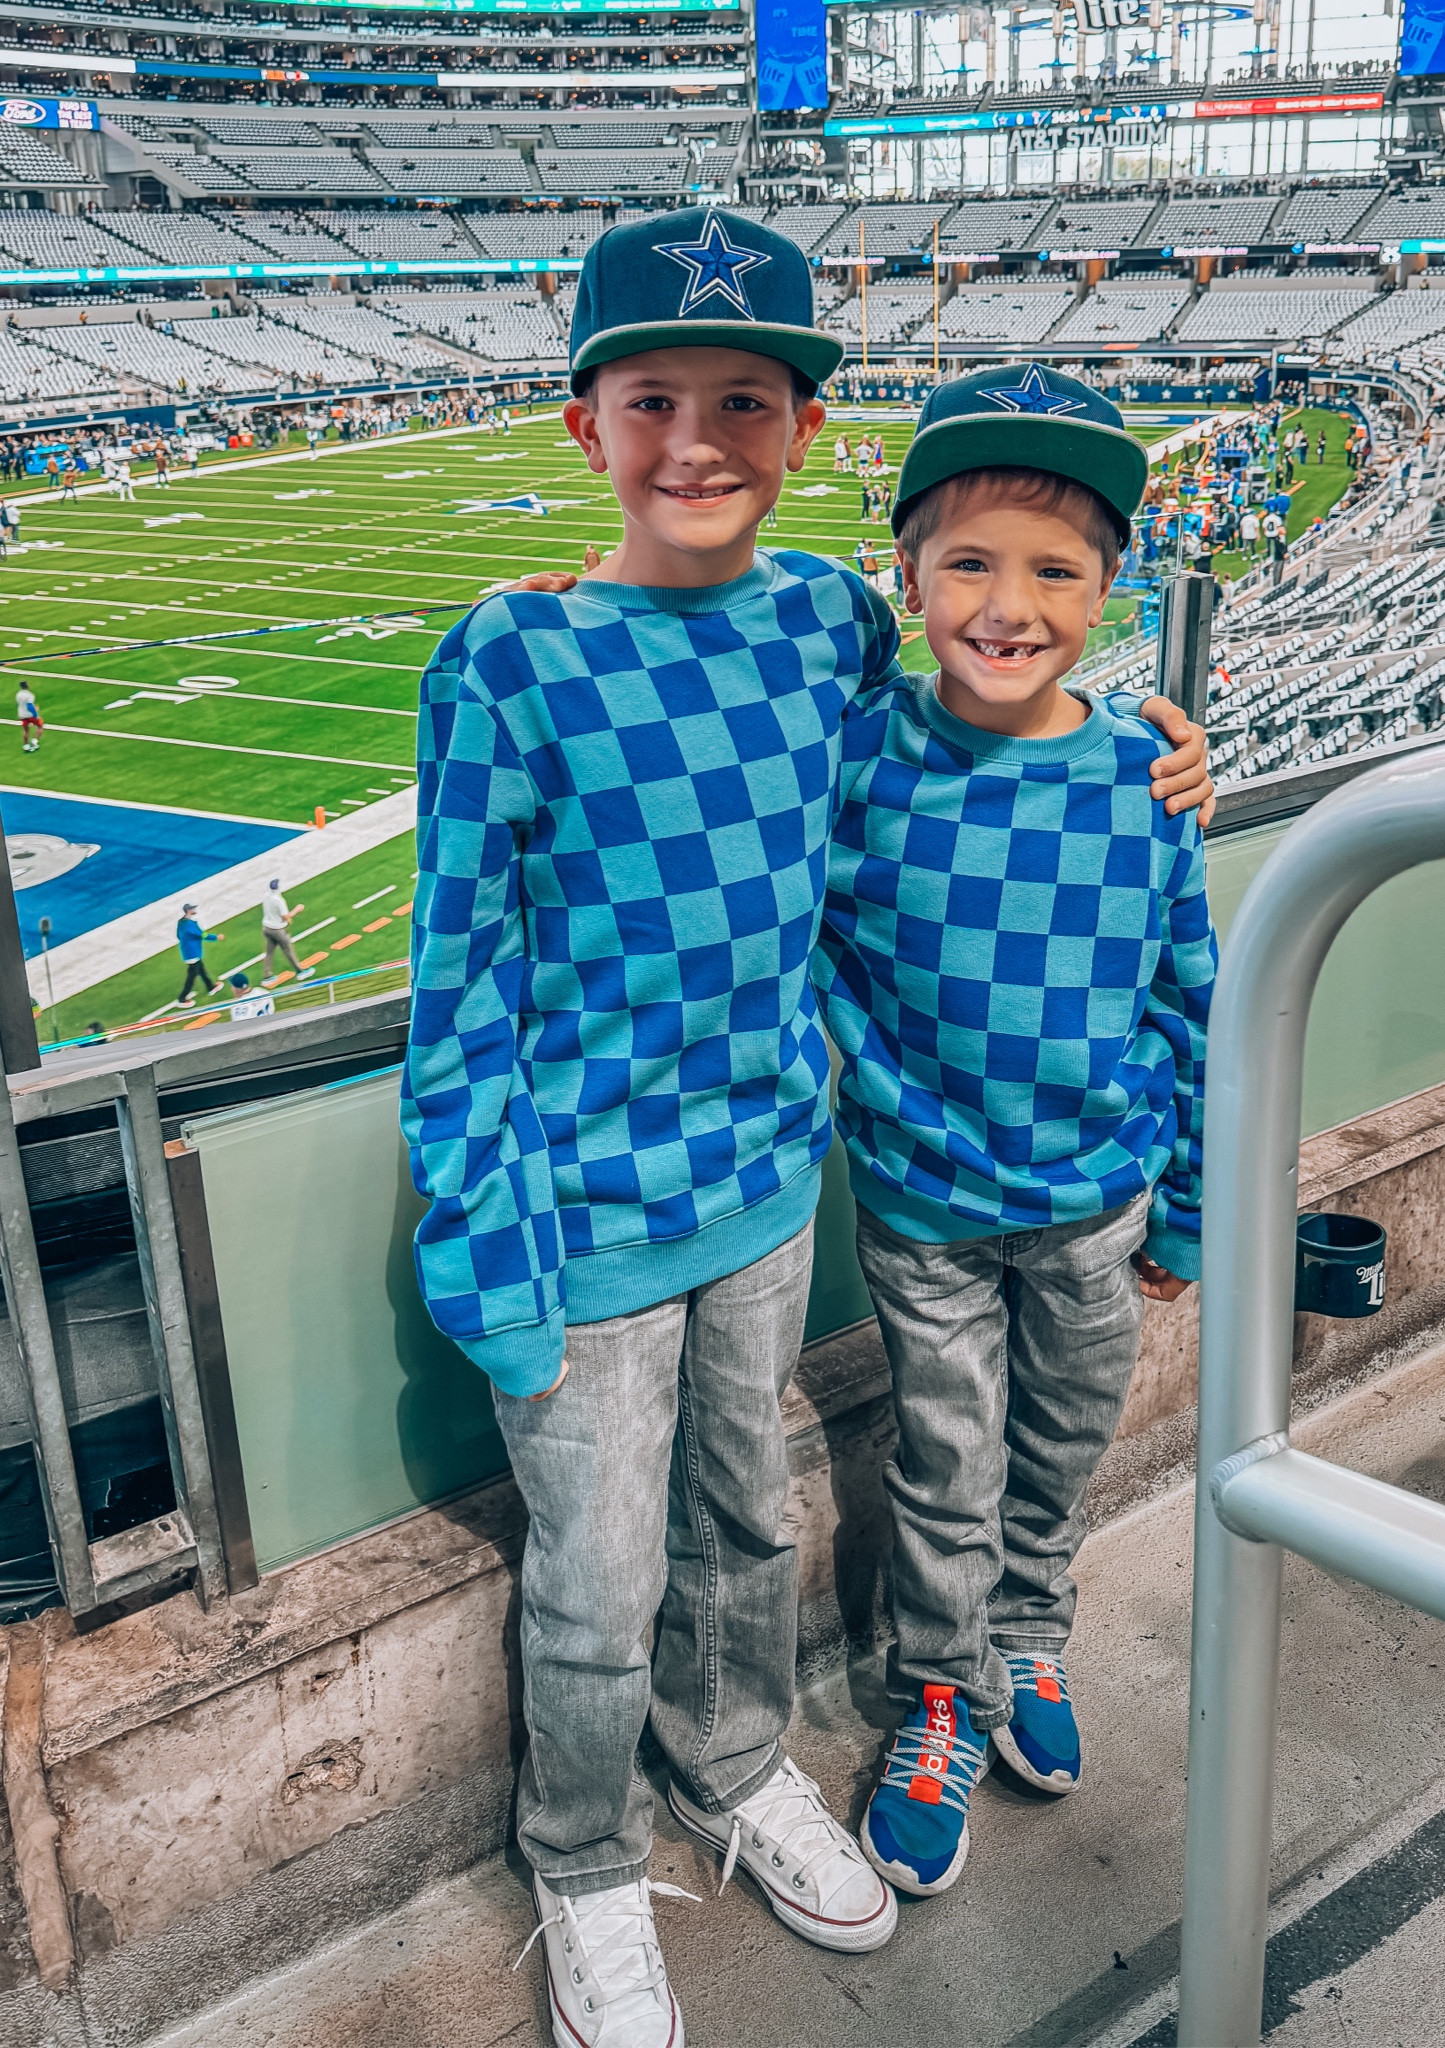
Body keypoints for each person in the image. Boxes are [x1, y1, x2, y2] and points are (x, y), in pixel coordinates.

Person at [402, 213, 1214, 2044]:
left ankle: (741, 1763)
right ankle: (586, 1857)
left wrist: (1158, 753)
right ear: (583, 425)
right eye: (656, 399)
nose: (698, 439)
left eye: (743, 402)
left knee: (746, 1533)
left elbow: (977, 741)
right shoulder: (509, 660)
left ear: (803, 434)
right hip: (586, 1215)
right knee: (599, 1588)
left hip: (768, 1187)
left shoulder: (830, 621)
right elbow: (458, 981)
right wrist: (487, 1250)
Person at [812, 364, 1217, 1899]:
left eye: (1056, 568)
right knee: (945, 1458)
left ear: (1112, 581)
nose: (1009, 602)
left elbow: (1191, 998)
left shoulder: (1143, 774)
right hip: (923, 1203)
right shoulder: (859, 758)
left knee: (1056, 1443)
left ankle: (1031, 1632)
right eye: (967, 560)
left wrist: (1189, 1211)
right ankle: (939, 1691)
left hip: (1099, 1203)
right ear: (905, 572)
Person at [175, 903, 222, 1006]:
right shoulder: (189, 925)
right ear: (188, 910)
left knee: (201, 970)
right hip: (193, 954)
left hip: (188, 952)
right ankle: (182, 999)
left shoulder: (181, 923)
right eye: (192, 908)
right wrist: (216, 937)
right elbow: (202, 935)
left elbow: (178, 936)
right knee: (191, 977)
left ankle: (211, 987)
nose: (195, 909)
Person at [260, 878, 306, 983]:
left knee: (269, 952)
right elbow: (285, 916)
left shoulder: (266, 896)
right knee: (288, 950)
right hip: (278, 929)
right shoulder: (279, 900)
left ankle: (267, 975)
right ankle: (300, 971)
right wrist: (297, 909)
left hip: (267, 927)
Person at [15, 683, 41, 752]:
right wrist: (36, 714)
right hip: (30, 715)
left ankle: (26, 746)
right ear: (27, 686)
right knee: (40, 726)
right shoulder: (30, 695)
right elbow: (29, 706)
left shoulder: (18, 694)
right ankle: (34, 741)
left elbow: (19, 704)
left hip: (22, 715)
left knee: (26, 731)